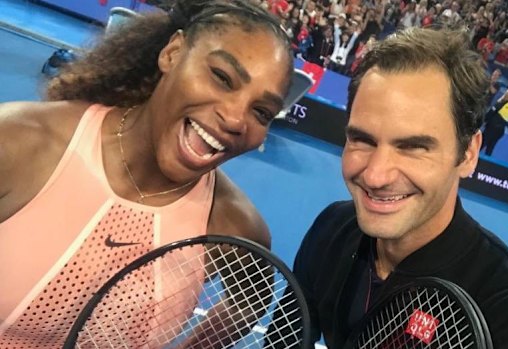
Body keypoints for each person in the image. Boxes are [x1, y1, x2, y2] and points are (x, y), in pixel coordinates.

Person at [0, 0, 294, 347]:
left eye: (261, 111)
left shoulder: (237, 228)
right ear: (172, 53)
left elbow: (249, 305)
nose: (234, 119)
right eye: (221, 77)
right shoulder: (17, 142)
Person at [280, 27, 508, 348]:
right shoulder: (331, 228)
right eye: (362, 140)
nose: (376, 176)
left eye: (414, 147)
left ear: (468, 154)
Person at [483, 88, 508, 155]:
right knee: (490, 149)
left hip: (491, 128)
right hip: (500, 131)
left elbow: (490, 113)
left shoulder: (501, 104)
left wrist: (484, 120)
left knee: (481, 144)